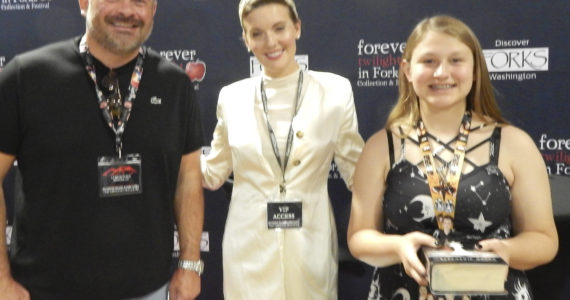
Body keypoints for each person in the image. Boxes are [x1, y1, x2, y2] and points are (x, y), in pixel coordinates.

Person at [0, 0, 205, 299]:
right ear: (84, 3)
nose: (127, 10)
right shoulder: (25, 77)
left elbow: (188, 180)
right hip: (44, 290)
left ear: (154, 9)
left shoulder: (175, 85)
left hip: (149, 291)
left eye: (140, 2)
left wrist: (189, 263)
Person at [347, 15, 558, 300]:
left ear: (474, 71)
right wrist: (399, 247)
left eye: (456, 61)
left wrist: (508, 251)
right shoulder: (380, 146)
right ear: (407, 70)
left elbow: (544, 240)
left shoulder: (515, 144)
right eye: (429, 61)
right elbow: (359, 238)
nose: (441, 73)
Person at [201, 0, 364, 298]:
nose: (271, 42)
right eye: (257, 33)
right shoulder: (231, 98)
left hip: (311, 248)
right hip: (248, 250)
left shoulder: (335, 91)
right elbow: (213, 173)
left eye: (279, 28)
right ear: (246, 40)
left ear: (297, 28)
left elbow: (358, 174)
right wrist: (167, 149)